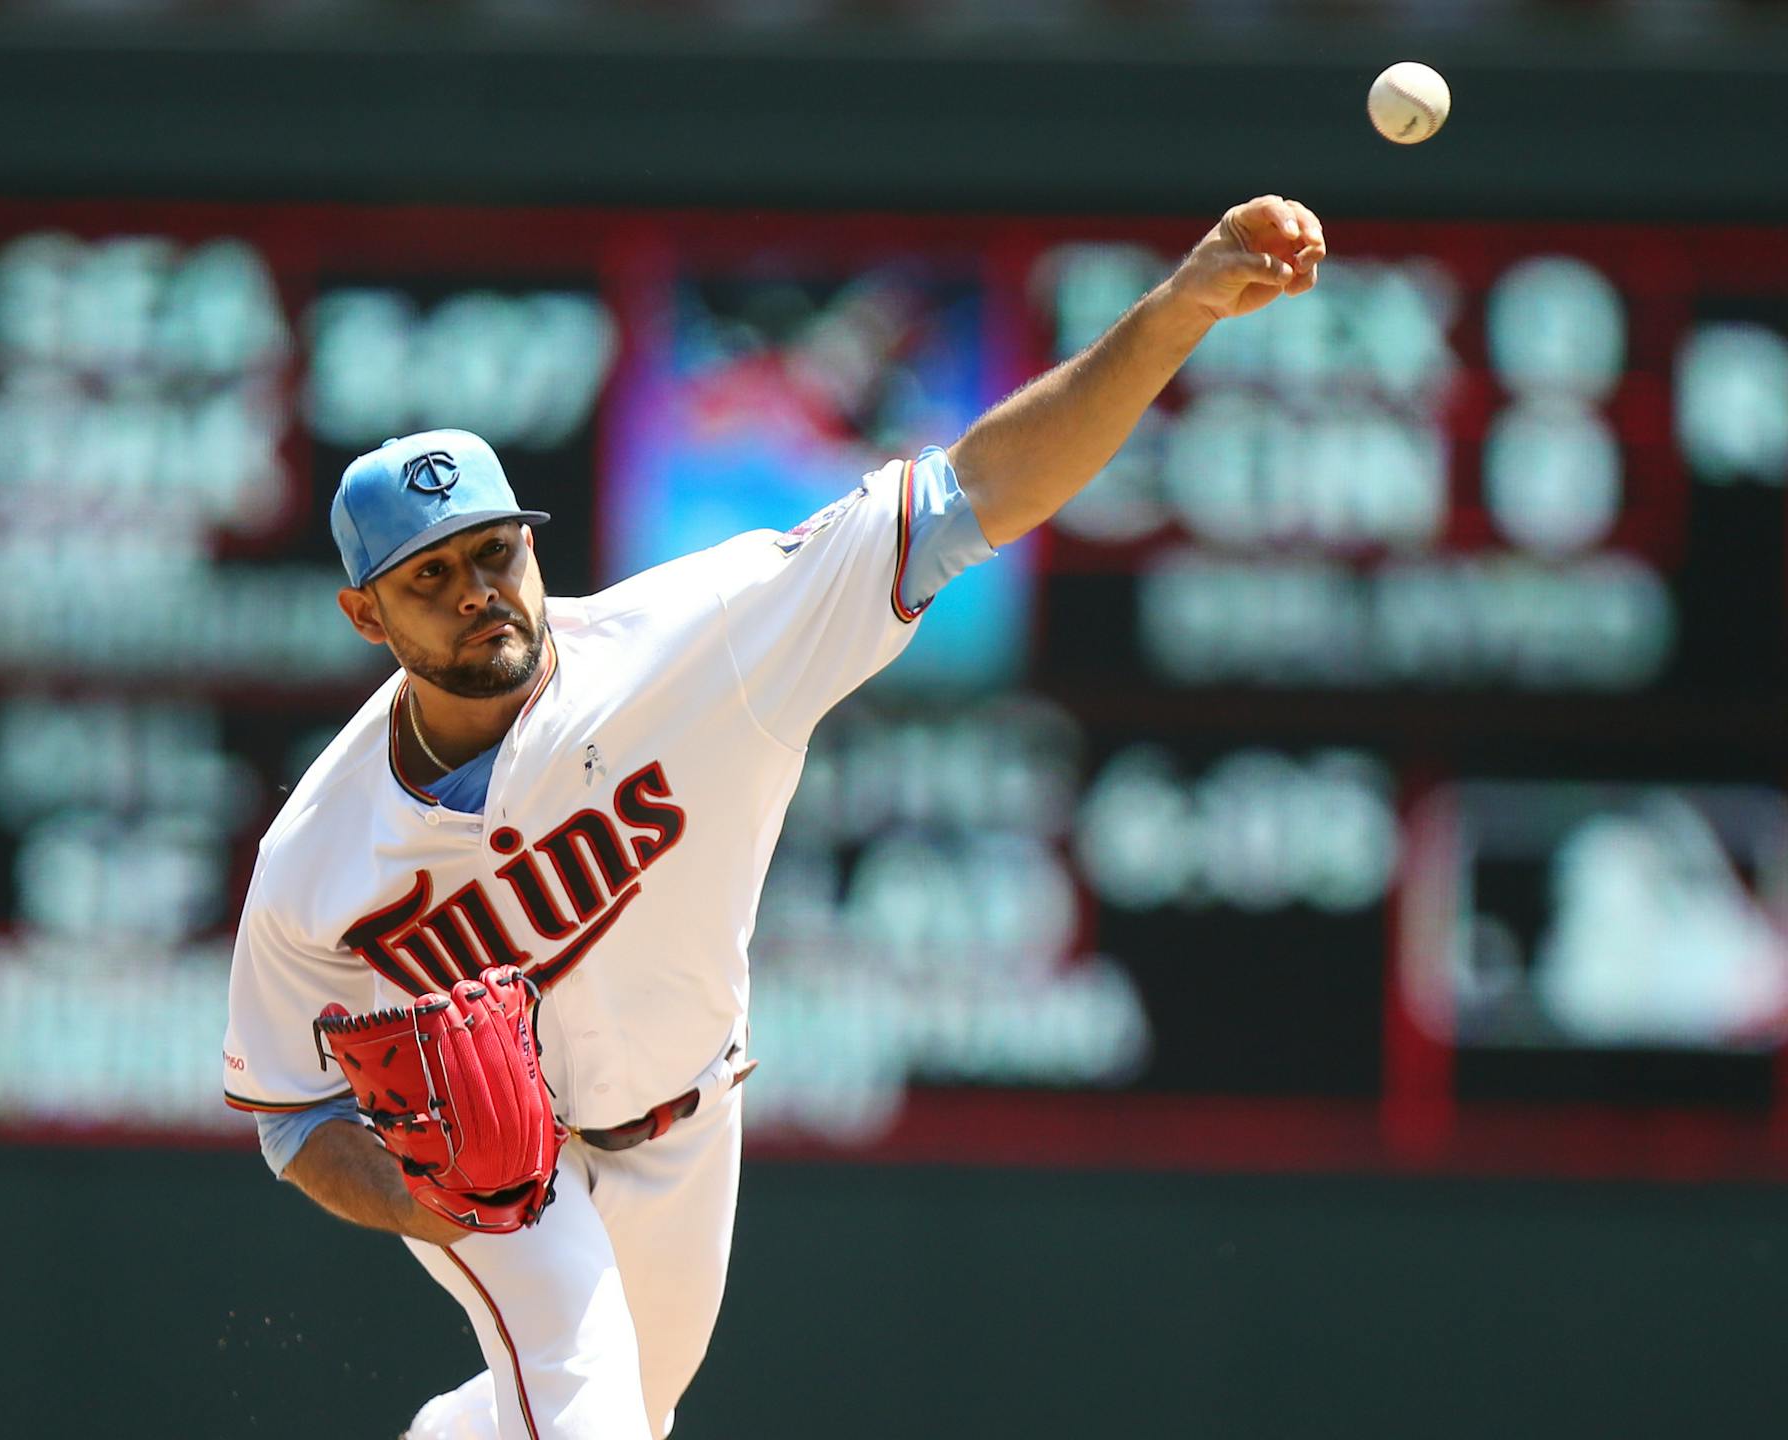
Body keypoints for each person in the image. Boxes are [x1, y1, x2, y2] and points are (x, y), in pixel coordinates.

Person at [220, 196, 1326, 1440]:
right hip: (501, 1202)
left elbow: (975, 495)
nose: (482, 594)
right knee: (585, 1423)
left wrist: (1178, 311)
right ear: (366, 616)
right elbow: (295, 1116)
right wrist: (428, 1197)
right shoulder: (317, 853)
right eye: (432, 576)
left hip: (689, 1120)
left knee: (633, 1416)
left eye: (496, 554)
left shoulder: (694, 647)